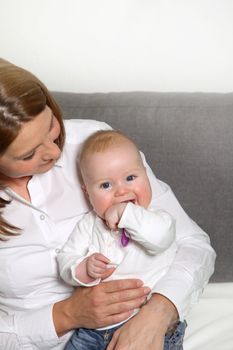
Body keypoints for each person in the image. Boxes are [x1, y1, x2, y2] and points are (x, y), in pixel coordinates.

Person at [0, 58, 216, 350]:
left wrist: (158, 312)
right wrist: (66, 315)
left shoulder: (93, 142)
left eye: (51, 126)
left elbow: (192, 243)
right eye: (28, 155)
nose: (54, 151)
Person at [57, 129, 183, 350]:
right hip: (91, 332)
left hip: (147, 327)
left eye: (131, 178)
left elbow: (161, 239)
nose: (121, 190)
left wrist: (126, 213)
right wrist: (83, 269)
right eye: (106, 185)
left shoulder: (158, 219)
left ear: (146, 175)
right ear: (87, 193)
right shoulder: (89, 224)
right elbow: (66, 257)